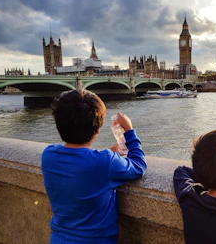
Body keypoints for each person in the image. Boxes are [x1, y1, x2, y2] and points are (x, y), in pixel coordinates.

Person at [41, 89, 146, 244]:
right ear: (97, 129)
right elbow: (139, 166)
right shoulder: (106, 162)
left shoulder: (48, 155)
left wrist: (110, 151)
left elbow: (79, 163)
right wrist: (129, 131)